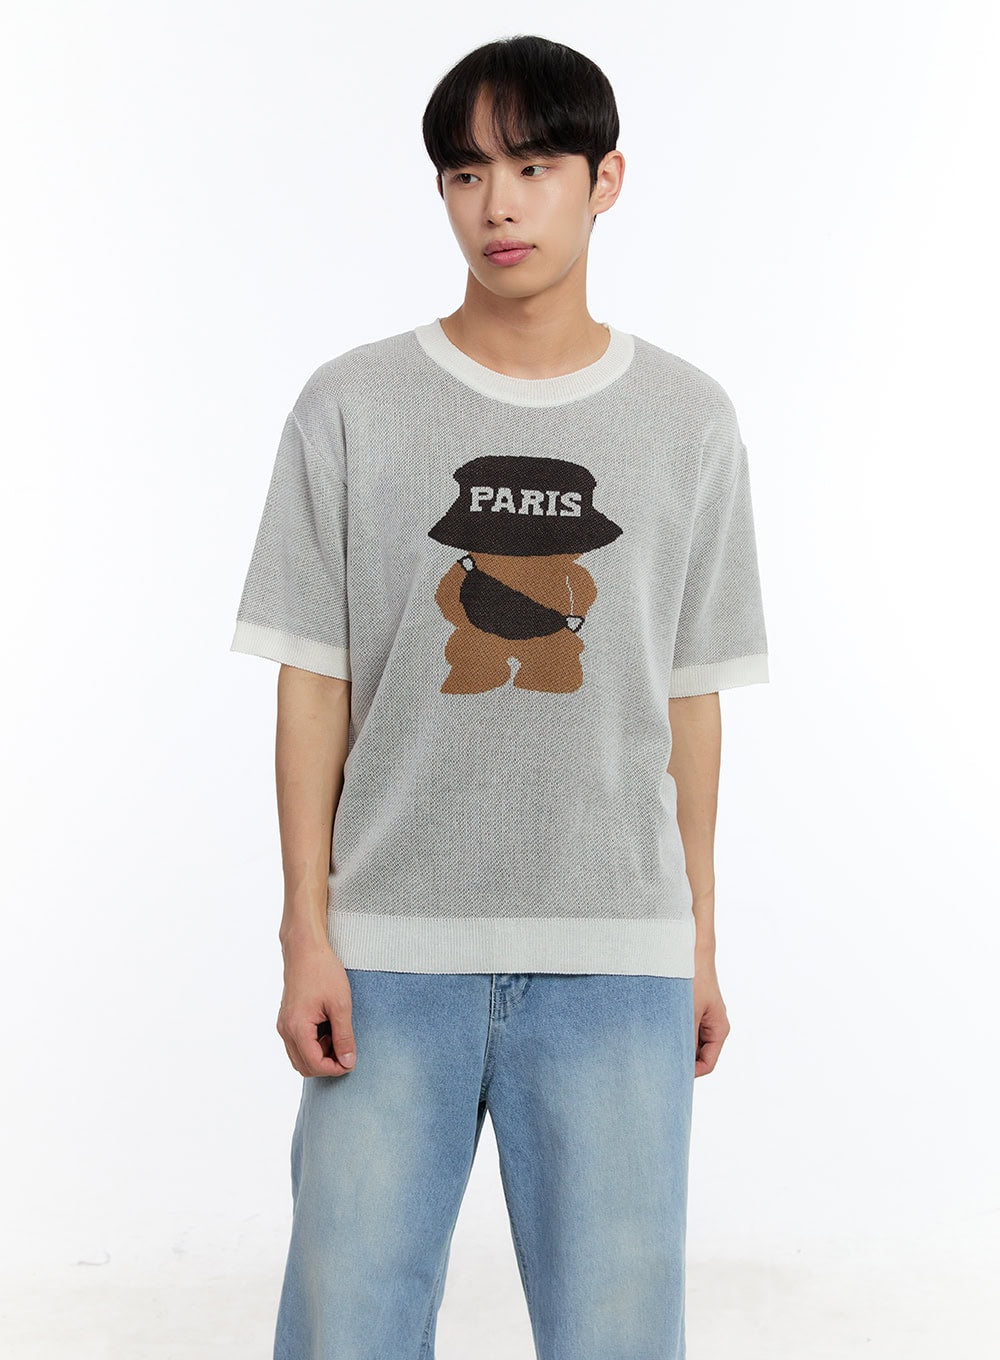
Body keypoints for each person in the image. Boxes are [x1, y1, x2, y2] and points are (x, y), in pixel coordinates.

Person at [230, 33, 769, 1360]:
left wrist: (697, 939)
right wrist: (307, 932)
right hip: (386, 952)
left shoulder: (689, 419)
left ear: (605, 180)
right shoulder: (352, 405)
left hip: (617, 955)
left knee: (617, 1336)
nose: (500, 205)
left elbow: (690, 702)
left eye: (534, 167)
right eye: (467, 174)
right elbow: (313, 685)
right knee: (348, 1329)